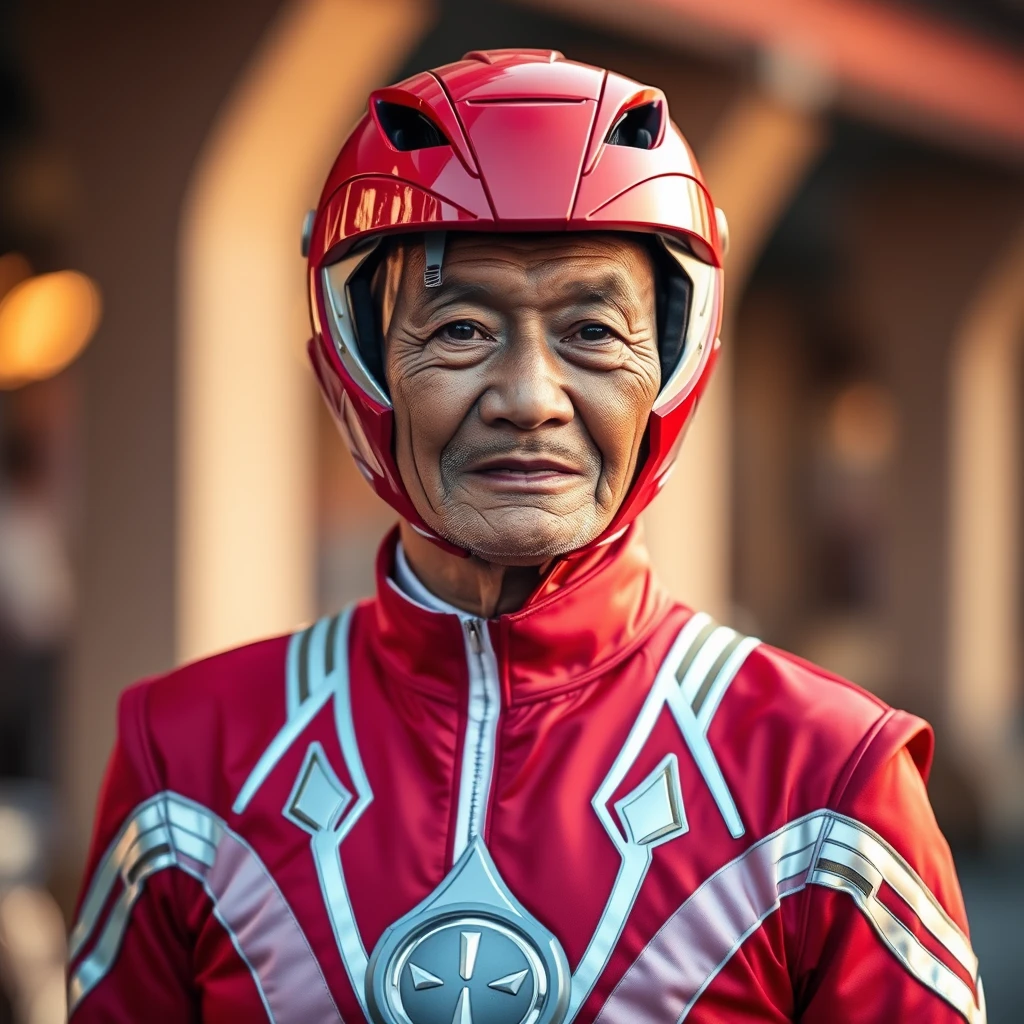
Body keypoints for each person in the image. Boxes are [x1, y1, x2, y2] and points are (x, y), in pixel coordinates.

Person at [67, 50, 985, 1024]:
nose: (528, 399)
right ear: (356, 366)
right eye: (460, 329)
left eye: (592, 330)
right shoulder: (188, 763)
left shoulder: (825, 778)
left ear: (670, 365)